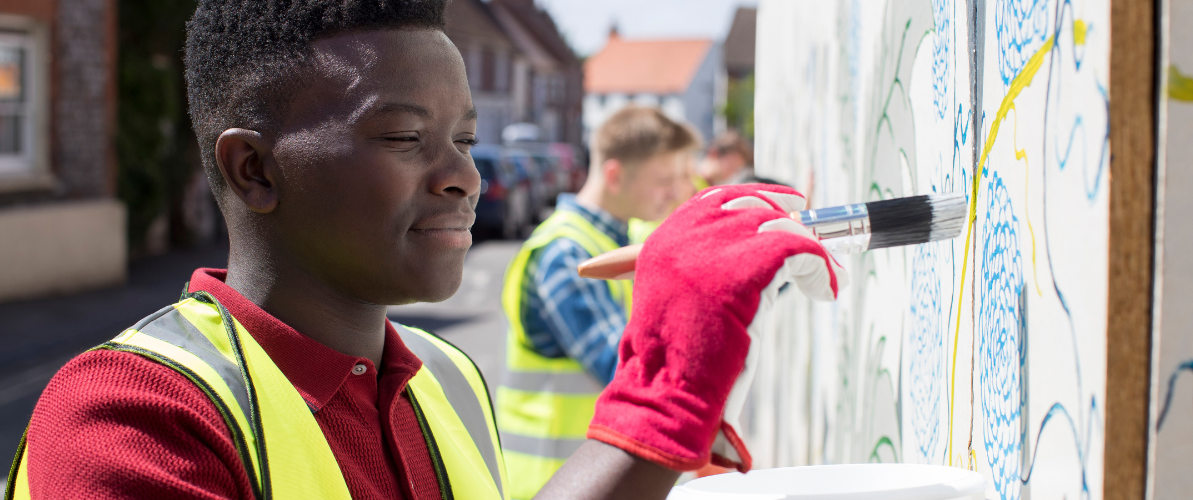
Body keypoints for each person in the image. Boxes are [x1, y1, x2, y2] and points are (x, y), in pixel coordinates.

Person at [8, 2, 846, 500]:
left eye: (467, 138)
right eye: (406, 137)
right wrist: (656, 406)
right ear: (254, 168)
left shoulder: (445, 380)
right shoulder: (123, 417)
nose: (464, 176)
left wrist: (653, 452)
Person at [498, 106, 699, 498]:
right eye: (664, 180)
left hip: (598, 481)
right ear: (614, 175)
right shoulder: (566, 255)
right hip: (555, 483)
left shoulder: (626, 237)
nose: (679, 192)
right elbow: (630, 373)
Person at [697, 130, 783, 186]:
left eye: (735, 170)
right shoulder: (691, 186)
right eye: (730, 166)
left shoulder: (707, 187)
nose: (731, 174)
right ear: (714, 153)